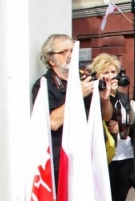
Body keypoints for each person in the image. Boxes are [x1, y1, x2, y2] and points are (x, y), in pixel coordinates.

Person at [32, 34, 106, 182]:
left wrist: (105, 97)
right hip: (64, 163)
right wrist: (77, 94)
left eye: (73, 50)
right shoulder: (44, 85)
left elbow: (105, 116)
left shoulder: (84, 79)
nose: (71, 55)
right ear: (51, 60)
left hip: (90, 158)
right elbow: (53, 122)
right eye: (64, 52)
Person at [90, 53, 135, 201]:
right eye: (105, 72)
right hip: (103, 157)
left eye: (113, 72)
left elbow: (132, 122)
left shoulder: (123, 97)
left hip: (124, 155)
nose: (110, 76)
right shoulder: (94, 95)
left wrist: (125, 128)